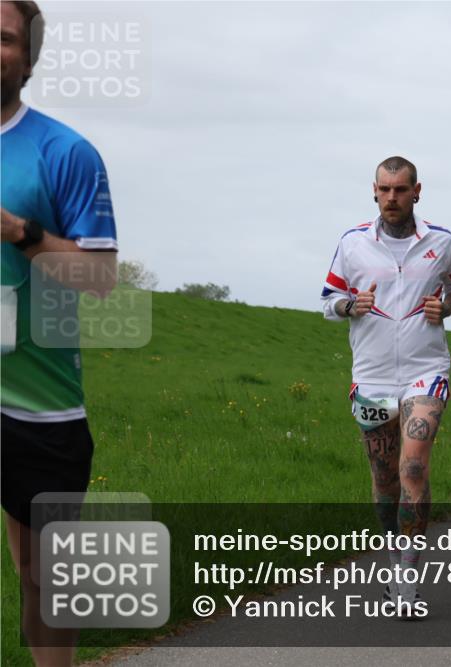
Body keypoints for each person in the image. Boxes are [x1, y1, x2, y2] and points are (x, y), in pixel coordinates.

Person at [2, 2, 119, 662]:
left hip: (37, 404)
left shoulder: (64, 151)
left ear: (30, 56)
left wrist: (20, 231)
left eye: (4, 38)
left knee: (42, 576)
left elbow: (100, 278)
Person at [321, 156, 451, 615]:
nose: (391, 198)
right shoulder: (352, 244)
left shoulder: (442, 242)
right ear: (374, 191)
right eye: (384, 190)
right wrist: (352, 306)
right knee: (384, 480)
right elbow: (328, 302)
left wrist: (446, 307)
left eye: (400, 190)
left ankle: (408, 576)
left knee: (413, 467)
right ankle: (392, 561)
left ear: (417, 191)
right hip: (371, 375)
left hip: (426, 369)